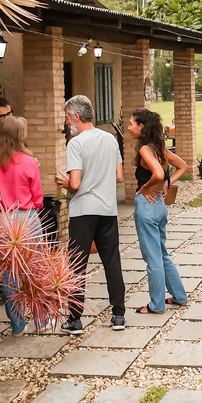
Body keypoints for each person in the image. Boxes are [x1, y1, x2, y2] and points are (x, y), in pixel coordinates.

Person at [56, 95, 128, 332]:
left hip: (83, 212)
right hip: (107, 209)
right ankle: (118, 315)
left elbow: (75, 183)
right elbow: (119, 176)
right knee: (112, 262)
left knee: (78, 265)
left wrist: (66, 183)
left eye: (68, 118)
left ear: (76, 116)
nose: (67, 122)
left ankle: (75, 319)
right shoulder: (110, 139)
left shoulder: (75, 143)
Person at [0, 116, 43, 337]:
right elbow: (38, 198)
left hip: (0, 220)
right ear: (20, 136)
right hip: (26, 218)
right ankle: (41, 319)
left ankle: (17, 325)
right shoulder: (30, 162)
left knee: (8, 275)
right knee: (35, 269)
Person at [125, 107, 190, 315]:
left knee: (153, 258)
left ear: (141, 126)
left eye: (131, 124)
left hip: (147, 205)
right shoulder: (159, 148)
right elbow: (182, 166)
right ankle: (179, 297)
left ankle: (156, 305)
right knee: (162, 254)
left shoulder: (145, 149)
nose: (128, 127)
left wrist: (146, 187)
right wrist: (166, 184)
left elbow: (158, 173)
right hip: (160, 207)